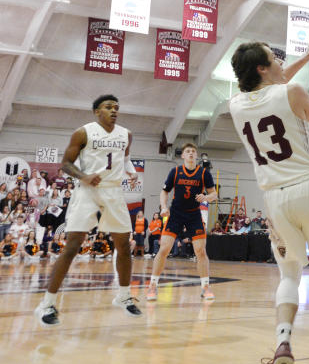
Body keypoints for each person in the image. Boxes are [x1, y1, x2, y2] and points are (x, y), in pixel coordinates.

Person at [229, 27, 309, 364]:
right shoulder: (293, 92)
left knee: (288, 275)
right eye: (274, 57)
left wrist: (308, 57)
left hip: (275, 198)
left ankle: (283, 341)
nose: (281, 62)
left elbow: (276, 86)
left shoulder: (235, 104)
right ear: (264, 69)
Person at [34, 94, 141, 326]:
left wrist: (131, 171)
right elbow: (65, 164)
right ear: (96, 111)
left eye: (116, 107)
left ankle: (123, 297)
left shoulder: (126, 134)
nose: (114, 111)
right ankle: (47, 303)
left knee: (123, 245)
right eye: (108, 107)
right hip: (87, 190)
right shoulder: (83, 132)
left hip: (113, 191)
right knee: (72, 245)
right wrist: (84, 176)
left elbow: (125, 159)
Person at [145, 143, 218, 302]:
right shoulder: (175, 171)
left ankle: (205, 287)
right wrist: (164, 207)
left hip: (194, 215)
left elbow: (214, 194)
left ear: (196, 156)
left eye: (193, 151)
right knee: (164, 248)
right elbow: (164, 191)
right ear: (183, 156)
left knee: (201, 252)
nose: (191, 153)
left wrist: (206, 197)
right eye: (188, 151)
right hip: (176, 214)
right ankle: (152, 286)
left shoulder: (204, 173)